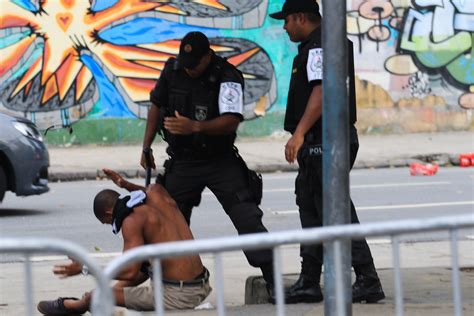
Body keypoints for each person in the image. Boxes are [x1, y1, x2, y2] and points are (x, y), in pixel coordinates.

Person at [140, 31, 275, 295]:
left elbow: (231, 120)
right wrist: (146, 147)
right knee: (167, 220)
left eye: (195, 65)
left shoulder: (227, 76)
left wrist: (195, 127)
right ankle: (164, 285)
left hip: (219, 161)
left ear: (208, 56)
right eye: (186, 64)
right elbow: (156, 104)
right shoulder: (173, 69)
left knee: (247, 217)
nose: (189, 70)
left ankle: (271, 281)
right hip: (183, 162)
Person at [269, 0, 385, 304]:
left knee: (336, 210)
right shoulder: (317, 44)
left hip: (326, 139)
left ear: (299, 17)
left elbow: (321, 92)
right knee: (311, 206)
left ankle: (367, 279)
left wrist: (299, 133)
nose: (284, 26)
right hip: (318, 141)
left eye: (286, 20)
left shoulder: (320, 46)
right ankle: (309, 281)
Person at [37, 169, 211, 315]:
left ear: (107, 213)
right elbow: (139, 271)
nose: (111, 226)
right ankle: (104, 294)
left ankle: (76, 306)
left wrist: (85, 268)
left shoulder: (131, 221)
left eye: (106, 222)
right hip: (201, 283)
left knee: (95, 296)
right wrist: (125, 185)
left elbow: (129, 272)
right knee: (143, 266)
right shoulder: (157, 193)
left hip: (178, 296)